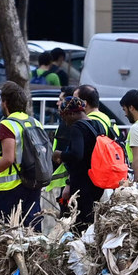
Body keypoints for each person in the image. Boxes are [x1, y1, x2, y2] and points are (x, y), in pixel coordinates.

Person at [0, 81, 43, 228]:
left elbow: (8, 158)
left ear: (5, 103)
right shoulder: (35, 122)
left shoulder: (8, 124)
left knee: (1, 230)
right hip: (33, 183)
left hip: (10, 188)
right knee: (31, 228)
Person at [57, 93, 105, 230]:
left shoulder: (78, 127)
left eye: (63, 116)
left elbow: (77, 155)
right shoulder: (97, 125)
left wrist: (59, 154)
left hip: (82, 186)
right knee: (91, 222)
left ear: (71, 114)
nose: (65, 122)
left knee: (79, 223)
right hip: (97, 183)